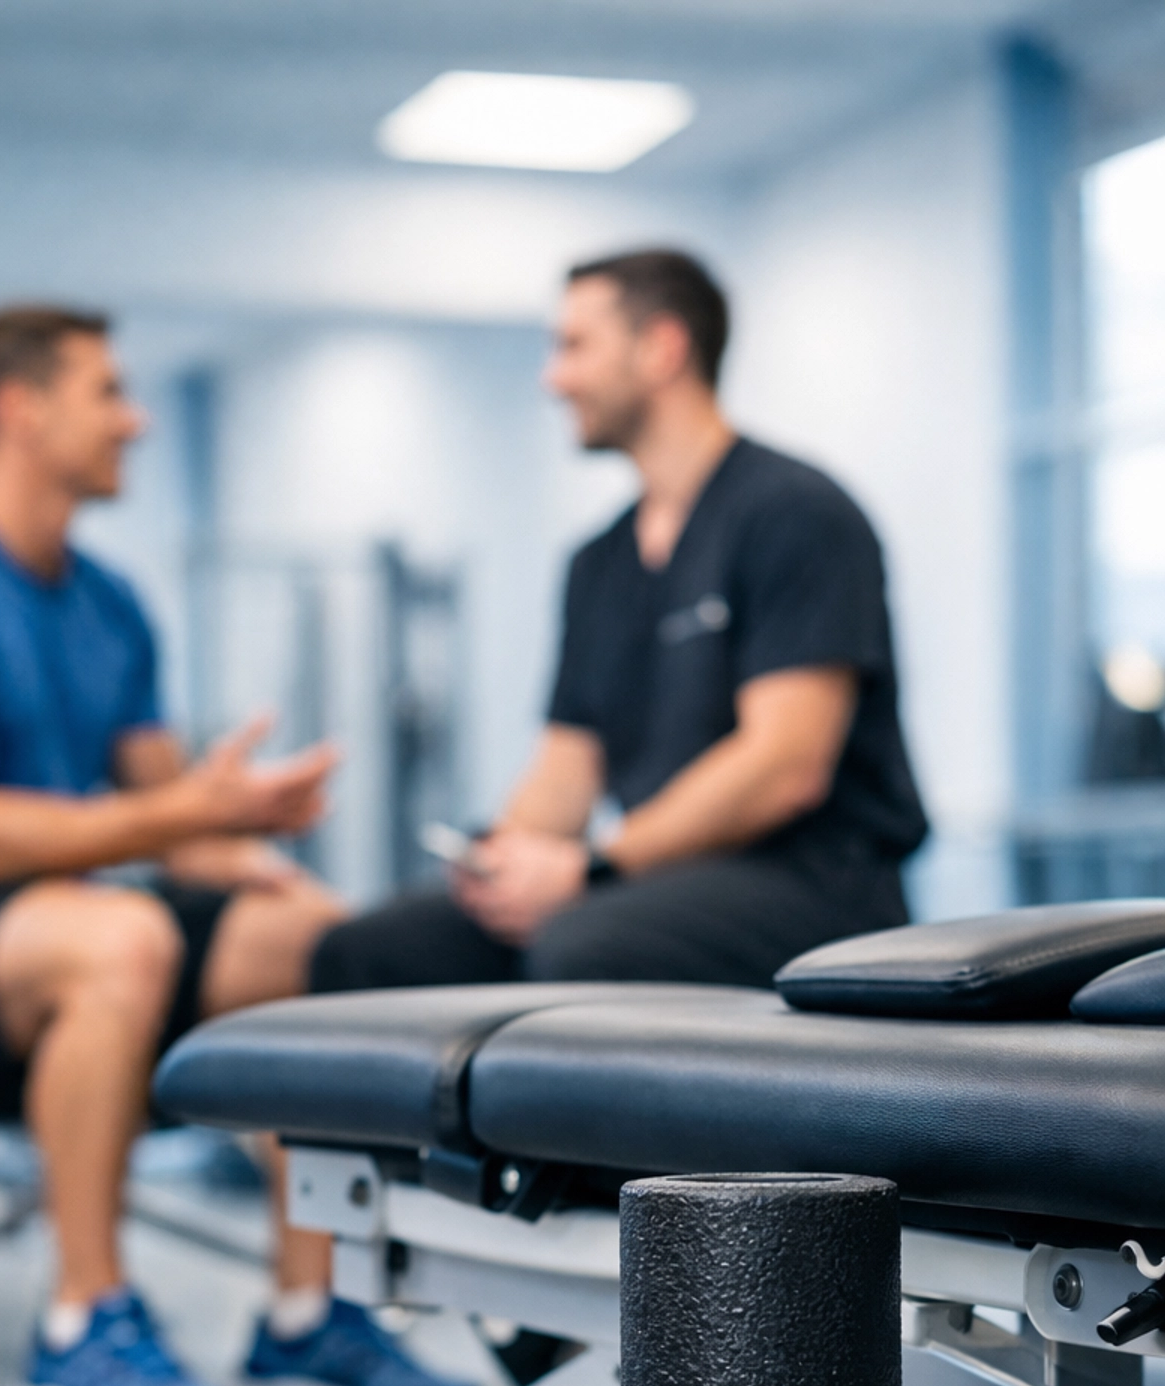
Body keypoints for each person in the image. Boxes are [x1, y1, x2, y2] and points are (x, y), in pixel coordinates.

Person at [0, 304, 478, 1386]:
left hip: (50, 919)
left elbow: (171, 826)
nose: (136, 419)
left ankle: (308, 1317)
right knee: (123, 938)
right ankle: (79, 1327)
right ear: (21, 409)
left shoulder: (108, 604)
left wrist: (247, 843)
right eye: (108, 392)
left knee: (295, 935)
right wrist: (180, 814)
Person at [310, 248, 927, 998]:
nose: (553, 378)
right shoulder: (599, 563)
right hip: (655, 880)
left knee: (581, 947)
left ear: (662, 348)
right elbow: (568, 768)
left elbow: (785, 768)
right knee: (368, 953)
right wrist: (508, 859)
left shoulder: (794, 513)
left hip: (811, 881)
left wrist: (591, 868)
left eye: (574, 347)